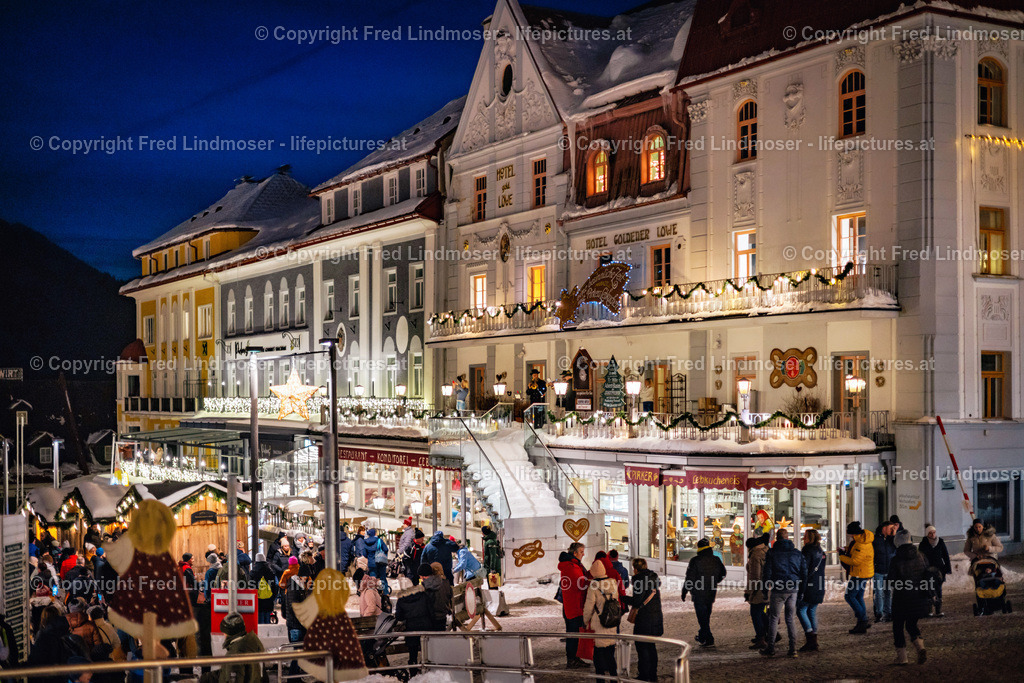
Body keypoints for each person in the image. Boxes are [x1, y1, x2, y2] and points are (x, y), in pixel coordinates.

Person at [889, 529, 934, 665]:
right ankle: (920, 648)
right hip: (919, 597)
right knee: (911, 624)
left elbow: (891, 580)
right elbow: (927, 573)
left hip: (901, 599)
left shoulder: (896, 559)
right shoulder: (921, 556)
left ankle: (902, 657)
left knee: (898, 626)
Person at [760, 528, 806, 658]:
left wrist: (765, 590)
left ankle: (771, 648)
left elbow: (767, 572)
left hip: (778, 588)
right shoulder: (797, 553)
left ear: (777, 538)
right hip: (793, 589)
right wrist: (801, 590)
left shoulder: (772, 553)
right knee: (790, 619)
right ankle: (793, 649)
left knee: (773, 618)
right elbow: (804, 572)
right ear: (787, 538)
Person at [681, 538, 726, 647]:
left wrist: (684, 591)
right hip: (711, 591)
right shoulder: (716, 559)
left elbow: (689, 578)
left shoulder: (695, 560)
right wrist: (716, 580)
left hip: (698, 593)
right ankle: (702, 636)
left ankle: (708, 637)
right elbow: (723, 573)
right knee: (706, 615)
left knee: (702, 617)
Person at [395, 565, 438, 671]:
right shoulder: (422, 595)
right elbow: (431, 611)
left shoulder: (401, 600)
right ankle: (428, 670)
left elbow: (399, 616)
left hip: (411, 628)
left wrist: (407, 616)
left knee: (413, 652)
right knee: (427, 651)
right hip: (426, 626)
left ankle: (413, 671)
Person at [200, 612, 265, 683]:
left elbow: (233, 676)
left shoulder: (235, 654)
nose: (224, 635)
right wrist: (207, 677)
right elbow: (226, 673)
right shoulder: (251, 643)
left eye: (224, 632)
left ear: (230, 633)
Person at [583, 559, 619, 683]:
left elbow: (589, 606)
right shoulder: (613, 583)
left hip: (599, 623)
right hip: (612, 622)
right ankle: (614, 679)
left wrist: (585, 620)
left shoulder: (593, 586)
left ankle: (601, 681)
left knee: (598, 657)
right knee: (610, 654)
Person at [629, 558, 662, 682]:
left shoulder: (639, 580)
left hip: (644, 618)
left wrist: (623, 598)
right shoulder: (653, 578)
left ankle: (643, 674)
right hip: (655, 617)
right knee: (651, 647)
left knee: (642, 647)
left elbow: (637, 601)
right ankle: (653, 675)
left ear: (635, 569)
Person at [558, 542, 590, 668]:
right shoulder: (572, 566)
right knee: (573, 635)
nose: (583, 554)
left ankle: (574, 658)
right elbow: (580, 584)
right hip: (574, 607)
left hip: (572, 606)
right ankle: (572, 659)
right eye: (581, 552)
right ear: (575, 553)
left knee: (574, 634)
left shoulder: (573, 565)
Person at [839, 521, 874, 634]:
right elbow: (855, 552)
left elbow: (855, 561)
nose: (849, 535)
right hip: (863, 573)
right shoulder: (861, 540)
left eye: (849, 533)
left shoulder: (860, 544)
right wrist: (846, 549)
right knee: (858, 597)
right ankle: (863, 621)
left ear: (853, 533)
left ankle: (862, 620)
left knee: (849, 596)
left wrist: (841, 556)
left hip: (859, 574)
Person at [797, 529, 826, 652]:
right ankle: (814, 640)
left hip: (809, 585)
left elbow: (804, 569)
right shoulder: (821, 551)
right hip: (819, 584)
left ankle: (810, 638)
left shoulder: (807, 551)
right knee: (812, 610)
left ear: (809, 538)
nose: (803, 539)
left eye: (805, 537)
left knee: (801, 609)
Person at [744, 533, 770, 650]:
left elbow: (755, 576)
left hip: (759, 589)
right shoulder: (766, 550)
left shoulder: (755, 555)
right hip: (769, 587)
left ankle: (761, 639)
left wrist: (749, 592)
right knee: (761, 612)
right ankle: (771, 634)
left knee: (755, 613)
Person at [918, 525, 951, 617]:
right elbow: (921, 557)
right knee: (929, 589)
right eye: (930, 533)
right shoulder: (923, 543)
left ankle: (938, 609)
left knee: (938, 589)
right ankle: (929, 610)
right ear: (927, 534)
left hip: (940, 570)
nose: (932, 534)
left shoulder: (940, 542)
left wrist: (947, 569)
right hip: (928, 570)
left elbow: (945, 556)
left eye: (934, 532)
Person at [872, 521, 896, 623]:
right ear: (884, 528)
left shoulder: (891, 540)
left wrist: (894, 534)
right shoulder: (875, 539)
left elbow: (896, 547)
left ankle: (888, 613)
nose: (892, 530)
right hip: (878, 571)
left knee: (888, 592)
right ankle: (879, 613)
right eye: (891, 528)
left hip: (889, 570)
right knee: (879, 593)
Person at [250, 552, 278, 624]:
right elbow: (275, 586)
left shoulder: (253, 572)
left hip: (258, 600)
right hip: (268, 599)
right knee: (267, 618)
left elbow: (250, 587)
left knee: (259, 620)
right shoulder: (270, 571)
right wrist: (273, 597)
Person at [425, 563, 453, 631]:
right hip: (443, 614)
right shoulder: (446, 583)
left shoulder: (427, 584)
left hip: (431, 616)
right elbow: (450, 597)